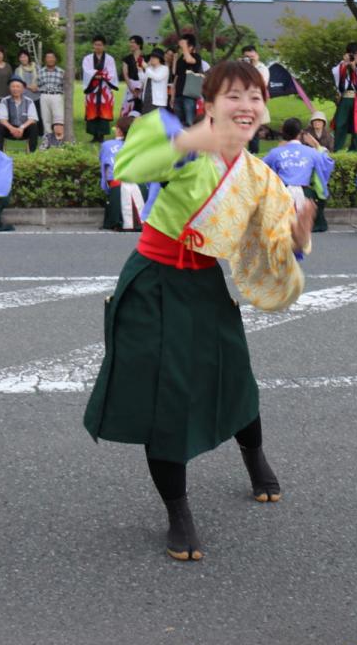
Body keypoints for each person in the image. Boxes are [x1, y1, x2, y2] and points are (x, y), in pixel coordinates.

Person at [83, 61, 315, 562]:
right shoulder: (187, 149)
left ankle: (254, 456)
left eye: (255, 97)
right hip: (154, 284)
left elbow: (269, 246)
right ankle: (178, 510)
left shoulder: (261, 177)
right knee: (163, 400)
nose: (246, 106)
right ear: (208, 105)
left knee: (234, 376)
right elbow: (129, 167)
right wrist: (190, 141)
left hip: (206, 285)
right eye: (233, 96)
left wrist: (294, 242)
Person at [263, 117, 334, 233]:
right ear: (300, 133)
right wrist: (316, 145)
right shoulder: (311, 152)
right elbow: (328, 162)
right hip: (305, 197)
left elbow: (260, 168)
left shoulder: (275, 152)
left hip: (281, 196)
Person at [99, 116, 148, 231]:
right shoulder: (142, 145)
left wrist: (106, 190)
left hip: (117, 188)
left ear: (119, 130)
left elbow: (105, 173)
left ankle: (116, 220)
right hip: (141, 187)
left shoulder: (107, 145)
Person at [331, 42, 357, 152]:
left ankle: (356, 148)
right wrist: (344, 64)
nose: (354, 56)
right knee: (340, 123)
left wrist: (355, 68)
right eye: (351, 53)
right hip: (345, 98)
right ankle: (337, 148)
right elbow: (335, 73)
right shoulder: (343, 63)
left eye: (355, 53)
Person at [83, 35, 119, 143]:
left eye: (100, 45)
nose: (97, 47)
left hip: (104, 89)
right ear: (93, 45)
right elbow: (87, 71)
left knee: (104, 111)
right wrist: (98, 74)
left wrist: (99, 75)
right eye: (96, 44)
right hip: (92, 89)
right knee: (92, 111)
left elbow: (111, 73)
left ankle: (102, 135)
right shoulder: (88, 58)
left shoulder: (109, 59)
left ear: (104, 46)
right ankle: (94, 135)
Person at [0, 76, 40, 153]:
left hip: (24, 130)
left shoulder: (29, 101)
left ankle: (32, 153)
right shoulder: (5, 101)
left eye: (18, 87)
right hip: (9, 130)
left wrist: (21, 128)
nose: (15, 89)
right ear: (9, 88)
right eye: (13, 86)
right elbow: (2, 119)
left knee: (34, 126)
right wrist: (12, 128)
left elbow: (32, 119)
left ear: (22, 89)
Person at [241, 45, 272, 153]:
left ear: (257, 55)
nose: (250, 59)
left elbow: (261, 85)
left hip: (255, 102)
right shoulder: (241, 68)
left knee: (253, 128)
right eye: (247, 57)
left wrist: (252, 68)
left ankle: (253, 153)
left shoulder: (262, 69)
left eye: (252, 56)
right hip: (242, 101)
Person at [172, 33, 205, 127]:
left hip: (189, 95)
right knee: (178, 123)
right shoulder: (180, 59)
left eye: (185, 44)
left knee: (189, 122)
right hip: (178, 94)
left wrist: (185, 48)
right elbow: (175, 74)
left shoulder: (196, 56)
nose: (181, 46)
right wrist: (173, 96)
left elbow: (190, 60)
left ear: (191, 47)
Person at [36, 50, 65, 148]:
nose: (50, 59)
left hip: (57, 96)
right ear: (45, 60)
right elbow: (38, 85)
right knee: (46, 120)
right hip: (44, 96)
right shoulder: (40, 72)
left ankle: (59, 142)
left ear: (55, 59)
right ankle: (47, 141)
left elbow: (65, 86)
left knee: (58, 119)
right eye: (48, 58)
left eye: (52, 57)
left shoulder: (61, 72)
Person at [121, 35, 146, 116]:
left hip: (143, 88)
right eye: (130, 42)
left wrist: (140, 89)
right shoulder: (126, 59)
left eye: (133, 42)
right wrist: (132, 89)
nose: (130, 44)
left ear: (139, 45)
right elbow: (125, 74)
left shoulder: (147, 58)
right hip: (130, 88)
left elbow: (148, 74)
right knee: (127, 109)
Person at [138, 48, 169, 114]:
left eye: (154, 57)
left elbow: (157, 77)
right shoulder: (150, 69)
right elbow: (143, 80)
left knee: (156, 122)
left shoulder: (164, 68)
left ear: (159, 59)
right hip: (146, 100)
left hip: (158, 102)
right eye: (151, 57)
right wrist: (140, 70)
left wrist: (146, 67)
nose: (152, 59)